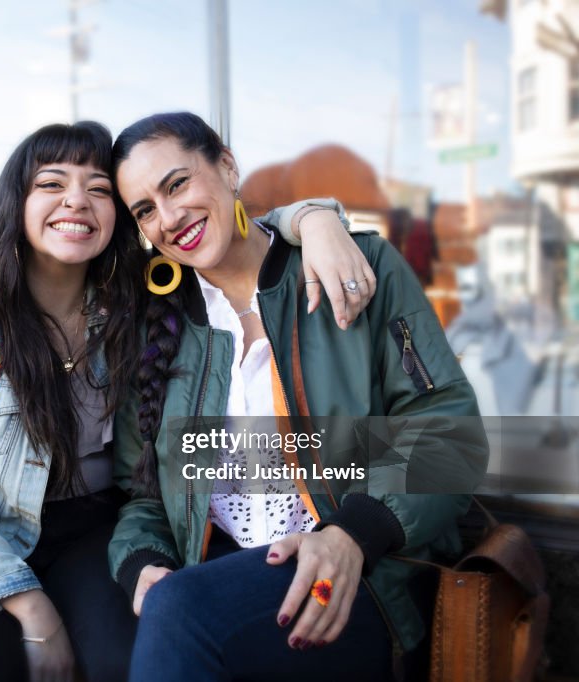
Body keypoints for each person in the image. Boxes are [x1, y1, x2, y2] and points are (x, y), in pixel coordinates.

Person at [0, 120, 374, 682]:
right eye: (52, 184)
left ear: (120, 218)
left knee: (126, 663)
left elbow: (223, 229)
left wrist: (313, 219)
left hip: (93, 528)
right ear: (17, 202)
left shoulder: (141, 296)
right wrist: (28, 603)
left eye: (99, 189)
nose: (76, 200)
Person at [106, 112, 488, 681]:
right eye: (144, 210)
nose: (168, 218)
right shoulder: (158, 324)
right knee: (168, 611)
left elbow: (446, 429)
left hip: (361, 574)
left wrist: (352, 535)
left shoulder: (358, 264)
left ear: (227, 167)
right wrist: (144, 562)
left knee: (182, 616)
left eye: (177, 184)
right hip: (215, 576)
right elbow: (141, 493)